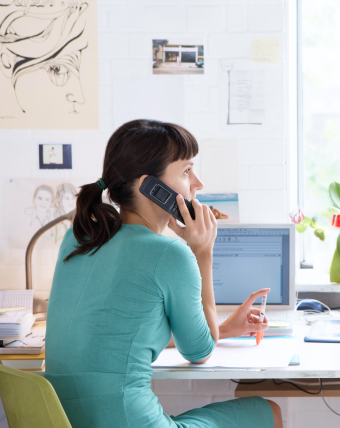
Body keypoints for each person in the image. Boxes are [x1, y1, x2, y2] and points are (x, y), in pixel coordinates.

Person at [45, 119, 283, 428]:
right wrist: (202, 252)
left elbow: (121, 337)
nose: (197, 183)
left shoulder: (78, 238)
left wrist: (221, 329)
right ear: (150, 187)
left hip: (63, 422)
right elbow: (200, 352)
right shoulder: (171, 254)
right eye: (186, 171)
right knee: (268, 410)